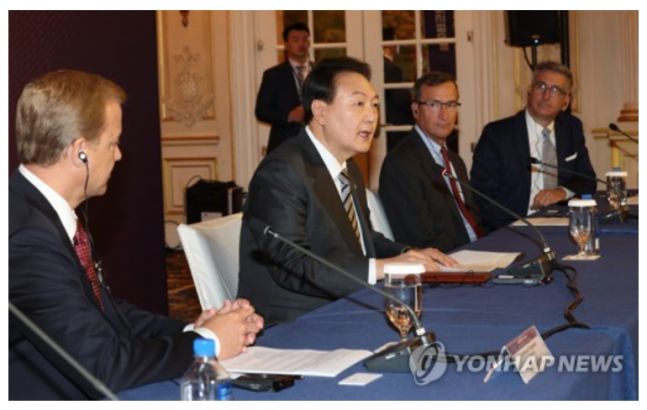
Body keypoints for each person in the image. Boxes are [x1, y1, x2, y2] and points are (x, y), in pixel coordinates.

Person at [9, 70, 264, 399]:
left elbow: (106, 312)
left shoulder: (41, 212)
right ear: (80, 151)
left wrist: (197, 330)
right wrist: (208, 343)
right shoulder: (27, 237)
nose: (119, 155)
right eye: (113, 143)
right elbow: (104, 366)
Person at [238, 57, 458, 326]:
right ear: (320, 112)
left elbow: (363, 238)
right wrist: (385, 267)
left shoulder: (348, 168)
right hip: (295, 321)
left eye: (374, 105)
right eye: (358, 104)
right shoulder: (281, 172)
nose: (372, 116)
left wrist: (409, 253)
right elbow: (293, 265)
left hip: (346, 304)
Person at [470, 61, 596, 231]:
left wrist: (561, 192)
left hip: (563, 226)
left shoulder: (571, 128)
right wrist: (513, 230)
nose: (546, 96)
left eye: (555, 90)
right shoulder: (497, 134)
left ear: (565, 102)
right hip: (514, 228)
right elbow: (481, 194)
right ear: (530, 91)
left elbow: (587, 180)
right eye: (541, 86)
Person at [380, 72, 483, 253]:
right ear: (415, 110)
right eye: (434, 105)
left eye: (450, 105)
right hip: (449, 259)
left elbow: (474, 218)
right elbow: (419, 240)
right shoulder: (400, 164)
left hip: (479, 248)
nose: (444, 115)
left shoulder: (455, 161)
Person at [255, 22, 313, 154]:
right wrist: (289, 116)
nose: (301, 44)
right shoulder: (273, 75)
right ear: (286, 45)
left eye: (305, 39)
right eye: (296, 40)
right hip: (284, 145)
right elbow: (261, 111)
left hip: (318, 144)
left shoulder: (320, 72)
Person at [382, 27, 414, 151]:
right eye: (395, 40)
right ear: (389, 44)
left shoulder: (374, 65)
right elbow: (399, 99)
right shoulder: (392, 69)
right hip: (395, 128)